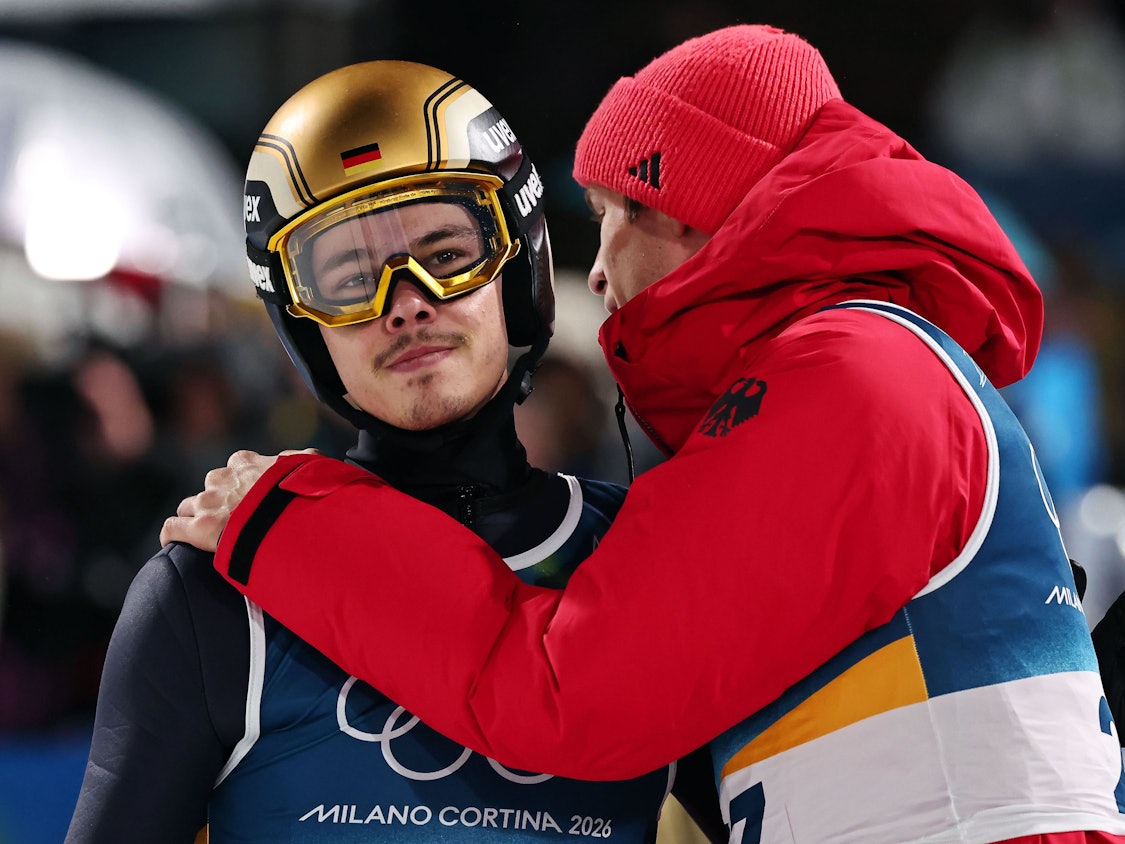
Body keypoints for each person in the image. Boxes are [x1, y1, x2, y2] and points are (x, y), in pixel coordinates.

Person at [163, 25, 1125, 843]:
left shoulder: (849, 378)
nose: (594, 269)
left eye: (614, 212)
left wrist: (290, 524)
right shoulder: (857, 369)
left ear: (691, 209)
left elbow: (567, 692)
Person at [67, 59, 723, 843]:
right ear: (303, 325)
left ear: (517, 266)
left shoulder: (645, 558)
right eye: (348, 276)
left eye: (446, 256)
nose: (406, 304)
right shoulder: (212, 590)